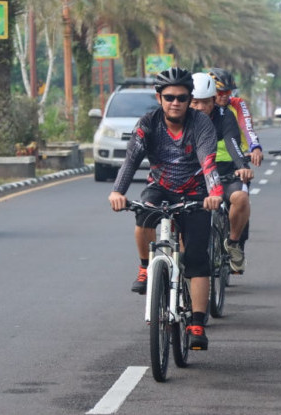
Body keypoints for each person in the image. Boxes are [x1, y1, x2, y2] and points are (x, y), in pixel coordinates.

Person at [108, 68, 224, 351]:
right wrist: (117, 192)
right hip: (160, 187)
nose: (176, 103)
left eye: (182, 98)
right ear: (160, 98)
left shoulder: (201, 124)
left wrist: (215, 193)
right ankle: (146, 267)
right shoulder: (147, 123)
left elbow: (208, 161)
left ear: (189, 99)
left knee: (196, 258)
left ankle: (196, 322)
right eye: (169, 97)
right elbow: (131, 160)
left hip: (196, 192)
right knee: (142, 213)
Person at [189, 72, 253, 274]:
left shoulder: (225, 116)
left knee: (241, 198)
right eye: (195, 103)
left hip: (226, 171)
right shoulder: (182, 117)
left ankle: (233, 243)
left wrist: (242, 165)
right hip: (195, 172)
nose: (200, 108)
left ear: (213, 100)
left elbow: (232, 142)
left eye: (205, 103)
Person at [208, 68, 264, 168]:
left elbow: (248, 127)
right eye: (220, 92)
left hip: (235, 160)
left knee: (244, 181)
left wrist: (256, 148)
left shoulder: (237, 103)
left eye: (228, 92)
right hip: (207, 161)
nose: (225, 96)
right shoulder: (201, 106)